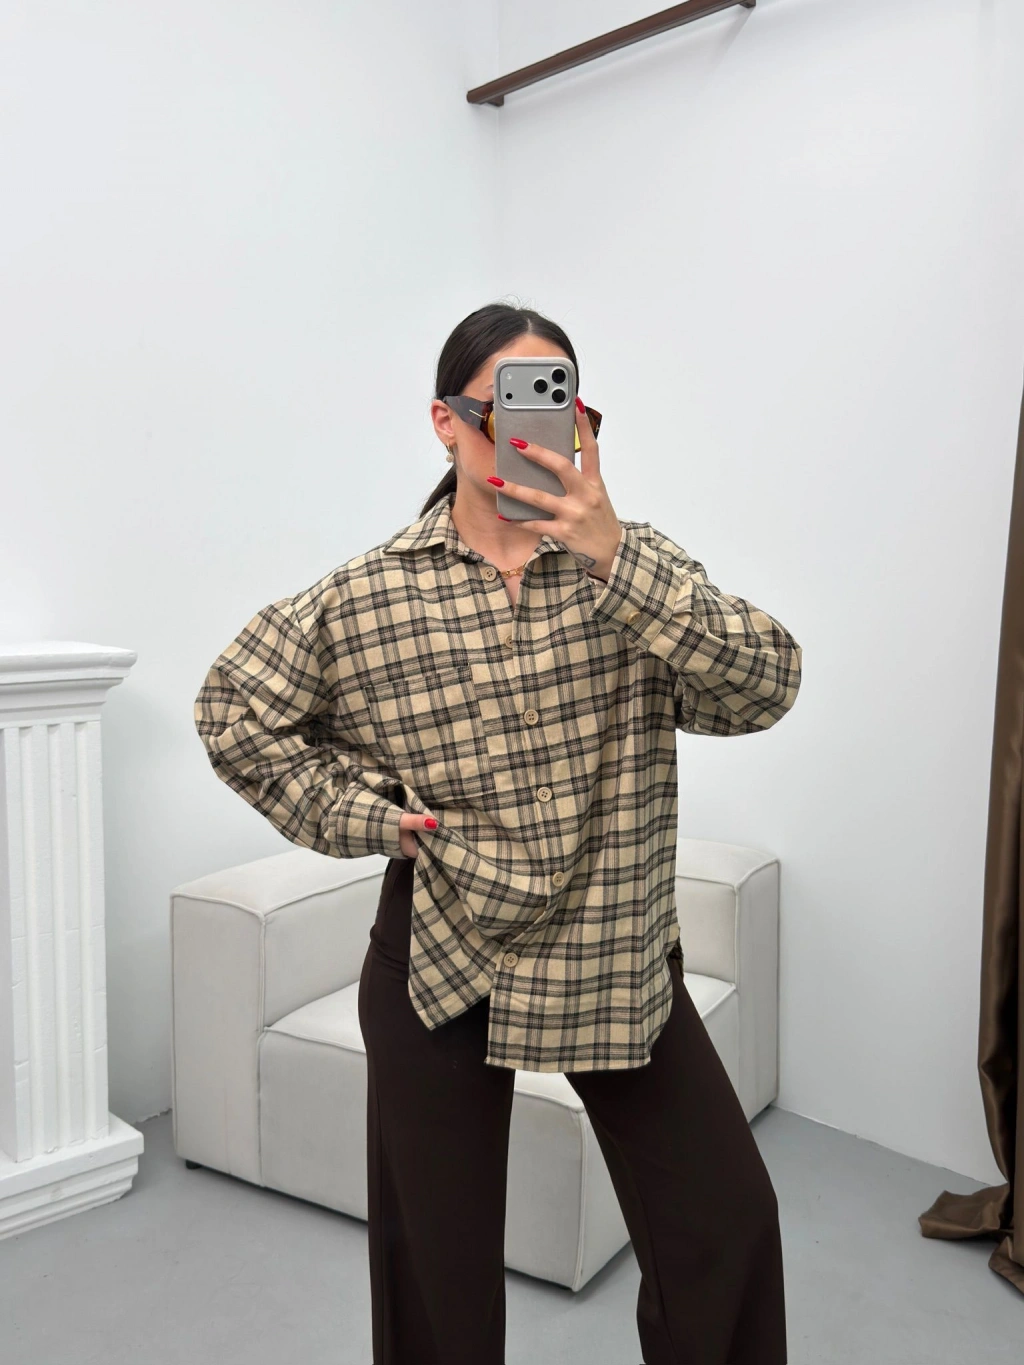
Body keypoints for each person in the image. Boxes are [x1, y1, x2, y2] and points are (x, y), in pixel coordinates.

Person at [194, 301, 802, 1365]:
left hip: (613, 954)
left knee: (726, 1224)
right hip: (439, 957)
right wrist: (371, 818)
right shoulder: (367, 595)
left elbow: (766, 684)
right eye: (503, 407)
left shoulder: (634, 572)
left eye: (556, 407)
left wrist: (615, 557)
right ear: (445, 422)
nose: (534, 432)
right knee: (437, 1284)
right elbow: (231, 710)